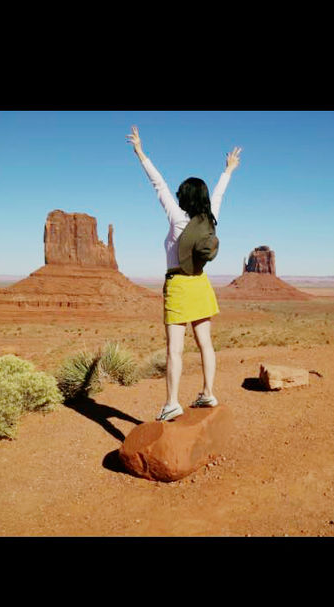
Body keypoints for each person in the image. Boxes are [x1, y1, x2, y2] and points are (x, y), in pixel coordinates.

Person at [126, 125, 241, 421]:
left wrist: (140, 152)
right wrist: (228, 170)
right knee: (205, 343)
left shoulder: (178, 218)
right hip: (201, 284)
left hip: (178, 285)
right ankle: (208, 393)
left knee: (174, 350)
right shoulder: (210, 218)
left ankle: (172, 403)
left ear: (185, 197)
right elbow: (219, 194)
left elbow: (158, 185)